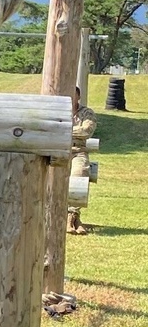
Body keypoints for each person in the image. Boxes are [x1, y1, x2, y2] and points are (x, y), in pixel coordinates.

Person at [68, 86, 97, 235]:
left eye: (73, 94)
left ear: (78, 97)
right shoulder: (57, 110)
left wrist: (61, 130)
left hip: (77, 152)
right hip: (58, 150)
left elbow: (86, 131)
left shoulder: (87, 113)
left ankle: (72, 216)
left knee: (79, 173)